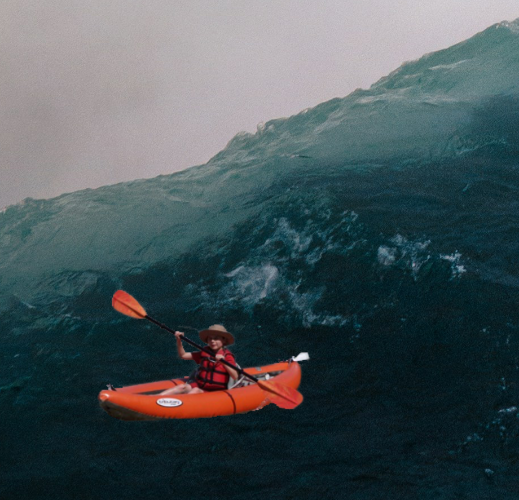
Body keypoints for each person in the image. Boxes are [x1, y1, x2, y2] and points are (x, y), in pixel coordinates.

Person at [160, 324, 238, 395]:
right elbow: (183, 355)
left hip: (215, 391)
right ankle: (155, 398)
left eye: (216, 338)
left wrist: (223, 362)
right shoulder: (205, 352)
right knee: (181, 387)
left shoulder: (227, 356)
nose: (212, 341)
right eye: (210, 339)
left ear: (223, 340)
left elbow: (235, 376)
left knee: (195, 391)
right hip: (200, 385)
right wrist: (179, 340)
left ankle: (178, 407)